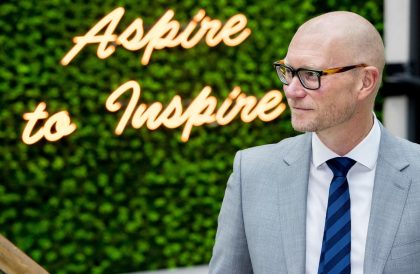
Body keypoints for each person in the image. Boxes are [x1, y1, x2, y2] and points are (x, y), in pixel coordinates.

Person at [208, 11, 420, 274]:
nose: (292, 91)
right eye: (288, 71)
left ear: (365, 82)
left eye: (310, 74)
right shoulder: (251, 173)